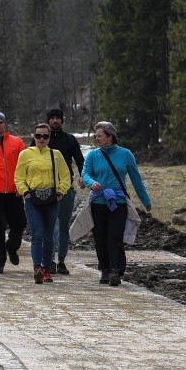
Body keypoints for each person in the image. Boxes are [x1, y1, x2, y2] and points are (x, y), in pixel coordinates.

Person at [81, 121, 152, 286]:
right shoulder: (93, 155)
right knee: (100, 238)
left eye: (100, 136)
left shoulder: (126, 155)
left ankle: (115, 270)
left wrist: (146, 200)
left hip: (118, 202)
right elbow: (85, 174)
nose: (96, 139)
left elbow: (136, 179)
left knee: (115, 236)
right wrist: (92, 183)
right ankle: (104, 270)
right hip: (98, 202)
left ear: (110, 136)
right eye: (95, 136)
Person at [16, 123, 71, 284]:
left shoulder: (56, 154)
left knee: (49, 236)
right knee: (37, 233)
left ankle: (47, 268)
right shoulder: (25, 154)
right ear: (34, 136)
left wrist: (60, 192)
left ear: (49, 137)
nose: (41, 139)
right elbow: (19, 176)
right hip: (32, 200)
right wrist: (25, 192)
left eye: (45, 136)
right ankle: (37, 268)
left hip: (52, 200)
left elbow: (65, 176)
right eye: (38, 136)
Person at [0, 111, 27, 274]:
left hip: (14, 191)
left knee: (19, 223)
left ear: (5, 124)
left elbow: (25, 166)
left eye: (1, 122)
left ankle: (11, 246)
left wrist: (23, 186)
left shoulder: (17, 143)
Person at [45, 108, 85, 275]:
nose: (55, 121)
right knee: (50, 225)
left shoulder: (70, 139)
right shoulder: (42, 139)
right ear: (48, 121)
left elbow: (80, 160)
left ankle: (61, 260)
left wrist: (83, 176)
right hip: (45, 188)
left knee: (63, 226)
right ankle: (50, 260)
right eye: (52, 118)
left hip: (66, 187)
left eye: (57, 118)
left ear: (62, 121)